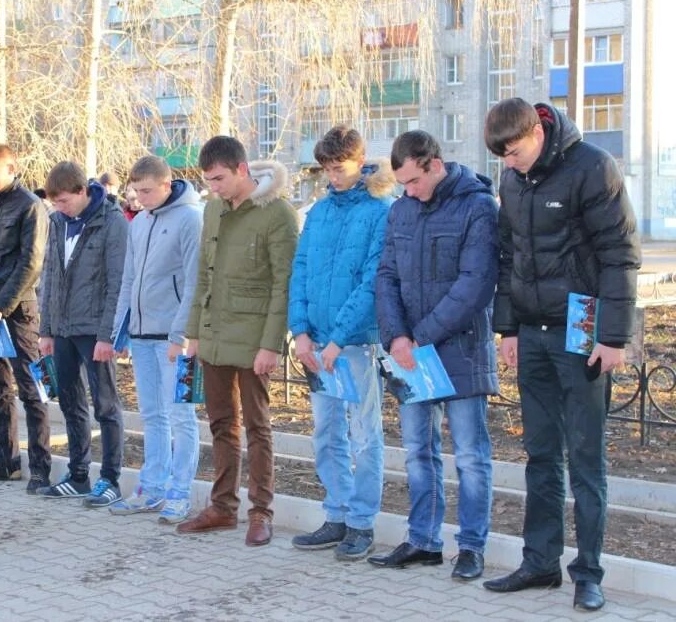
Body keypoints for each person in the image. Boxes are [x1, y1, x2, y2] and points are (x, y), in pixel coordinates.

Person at [481, 98, 640, 612]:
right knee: (541, 456)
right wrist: (507, 328)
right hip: (533, 334)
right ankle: (540, 563)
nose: (509, 162)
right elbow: (509, 257)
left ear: (537, 131)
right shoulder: (512, 180)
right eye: (501, 156)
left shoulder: (593, 167)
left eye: (514, 150)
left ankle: (588, 573)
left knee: (586, 460)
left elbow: (619, 253)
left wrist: (612, 338)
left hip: (583, 335)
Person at [371, 130, 498, 580]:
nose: (408, 191)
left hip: (458, 349)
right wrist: (397, 338)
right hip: (412, 356)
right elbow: (385, 276)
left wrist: (419, 336)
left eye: (414, 181)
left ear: (435, 165)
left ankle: (471, 547)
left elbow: (475, 285)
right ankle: (423, 540)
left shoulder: (478, 206)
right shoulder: (402, 210)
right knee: (417, 452)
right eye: (402, 183)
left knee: (469, 456)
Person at [176, 136, 298, 547]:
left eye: (220, 179)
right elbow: (203, 276)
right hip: (213, 336)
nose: (214, 187)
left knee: (258, 427)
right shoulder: (212, 210)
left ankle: (261, 511)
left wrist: (271, 344)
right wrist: (193, 333)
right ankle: (222, 507)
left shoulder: (276, 212)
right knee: (221, 424)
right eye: (209, 180)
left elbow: (284, 283)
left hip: (253, 339)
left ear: (242, 170)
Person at [287, 126, 393, 560]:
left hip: (355, 345)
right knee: (327, 434)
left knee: (365, 435)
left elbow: (372, 281)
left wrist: (338, 339)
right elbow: (302, 271)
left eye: (340, 167)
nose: (333, 176)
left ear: (361, 160)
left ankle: (362, 522)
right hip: (317, 345)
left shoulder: (380, 210)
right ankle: (337, 513)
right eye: (327, 169)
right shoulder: (320, 212)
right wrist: (301, 332)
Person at [109, 155, 202, 523]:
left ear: (167, 185)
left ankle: (180, 490)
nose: (140, 198)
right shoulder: (139, 222)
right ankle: (153, 486)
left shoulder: (191, 218)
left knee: (181, 415)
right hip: (142, 335)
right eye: (136, 191)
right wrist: (119, 332)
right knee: (152, 414)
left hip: (172, 338)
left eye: (147, 191)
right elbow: (128, 281)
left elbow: (195, 282)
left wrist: (182, 334)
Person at [37, 161, 128, 506]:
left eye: (63, 201)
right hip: (62, 328)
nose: (59, 208)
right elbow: (51, 277)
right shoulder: (58, 222)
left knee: (105, 404)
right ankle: (78, 474)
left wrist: (108, 335)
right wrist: (46, 329)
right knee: (71, 403)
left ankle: (111, 478)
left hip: (94, 330)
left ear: (82, 191)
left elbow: (117, 282)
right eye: (54, 203)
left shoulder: (112, 221)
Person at [0, 144, 53, 493]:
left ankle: (42, 468)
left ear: (11, 167)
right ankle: (7, 461)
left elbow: (30, 264)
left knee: (32, 389)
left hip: (17, 311)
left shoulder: (30, 206)